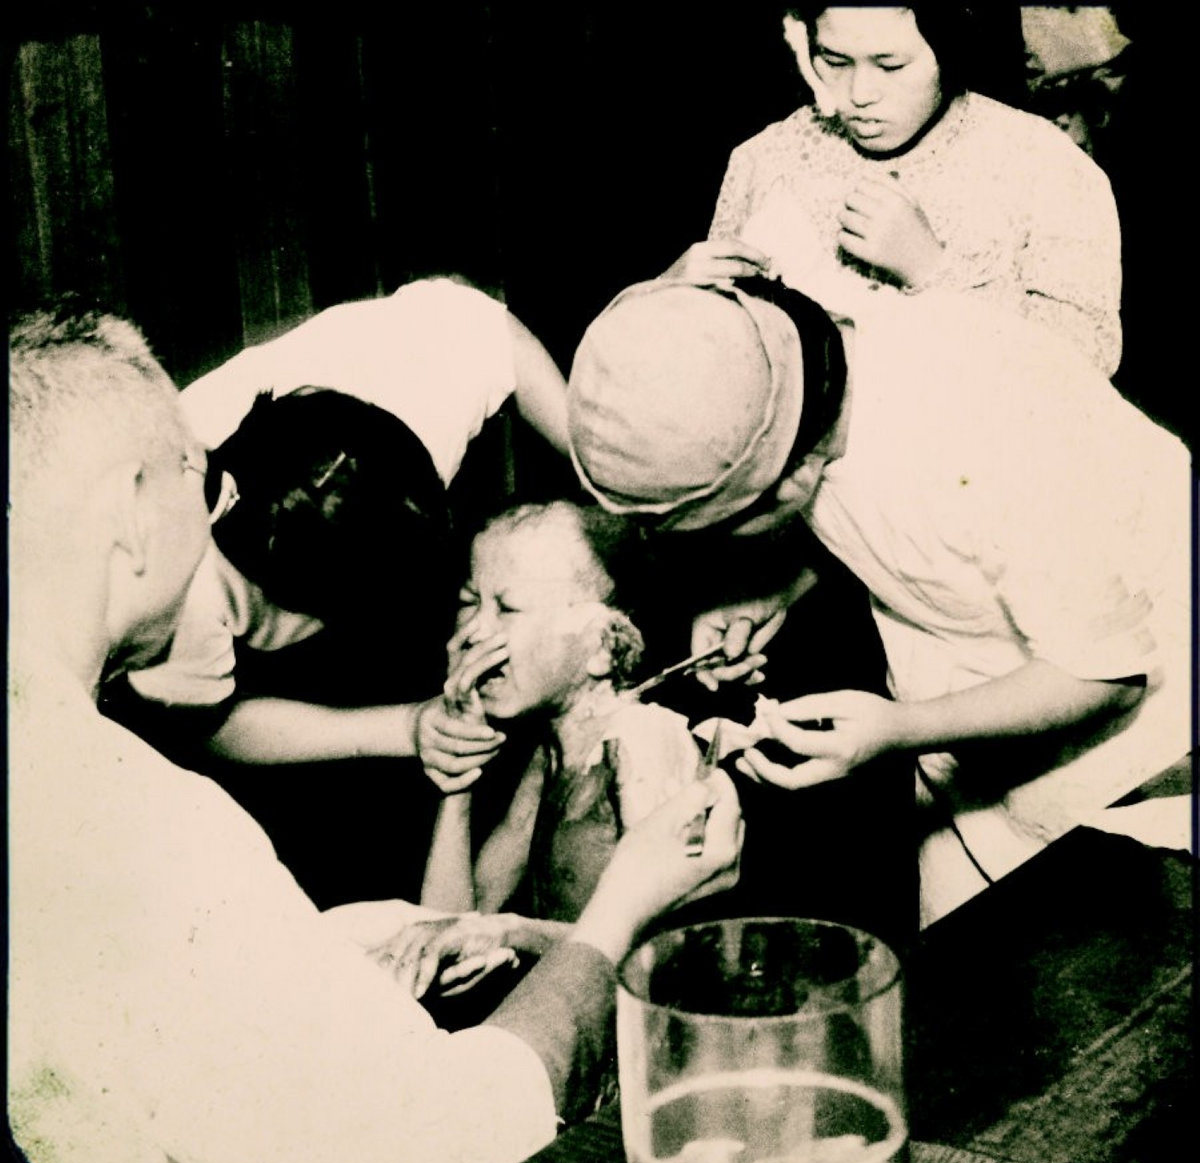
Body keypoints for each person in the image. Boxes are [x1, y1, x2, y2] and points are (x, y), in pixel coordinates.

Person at [7, 303, 744, 1163]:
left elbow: (484, 331)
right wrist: (615, 912)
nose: (224, 505)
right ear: (129, 511)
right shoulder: (145, 825)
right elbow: (455, 1140)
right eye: (198, 480)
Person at [564, 274, 1191, 926]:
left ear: (791, 480)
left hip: (1138, 779)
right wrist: (771, 588)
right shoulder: (802, 371)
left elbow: (1108, 674)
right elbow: (894, 525)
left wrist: (899, 729)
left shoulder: (994, 424)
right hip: (977, 776)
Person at [121, 274, 567, 773]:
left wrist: (601, 476)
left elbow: (487, 330)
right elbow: (207, 725)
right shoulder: (168, 597)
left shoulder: (418, 388)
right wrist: (404, 727)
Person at [674, 4, 1122, 376]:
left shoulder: (1046, 165)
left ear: (949, 50)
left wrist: (933, 271)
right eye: (834, 61)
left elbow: (1086, 367)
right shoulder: (765, 158)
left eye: (891, 65)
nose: (860, 93)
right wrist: (673, 300)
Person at [419, 500, 704, 923]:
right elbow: (449, 923)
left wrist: (509, 933)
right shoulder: (550, 756)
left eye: (508, 608)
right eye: (469, 601)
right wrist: (457, 758)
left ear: (601, 647)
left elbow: (652, 942)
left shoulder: (641, 740)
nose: (475, 630)